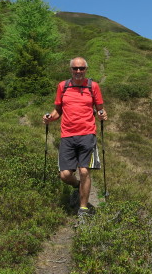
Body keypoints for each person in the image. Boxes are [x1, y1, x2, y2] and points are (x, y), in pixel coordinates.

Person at [43, 57, 107, 220]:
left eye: (81, 68)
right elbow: (58, 110)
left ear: (86, 69)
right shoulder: (63, 87)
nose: (78, 71)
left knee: (84, 170)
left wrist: (102, 114)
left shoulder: (93, 86)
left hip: (87, 134)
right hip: (67, 135)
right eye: (75, 69)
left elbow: (100, 109)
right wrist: (50, 117)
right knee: (64, 175)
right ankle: (77, 186)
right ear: (70, 70)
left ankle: (83, 208)